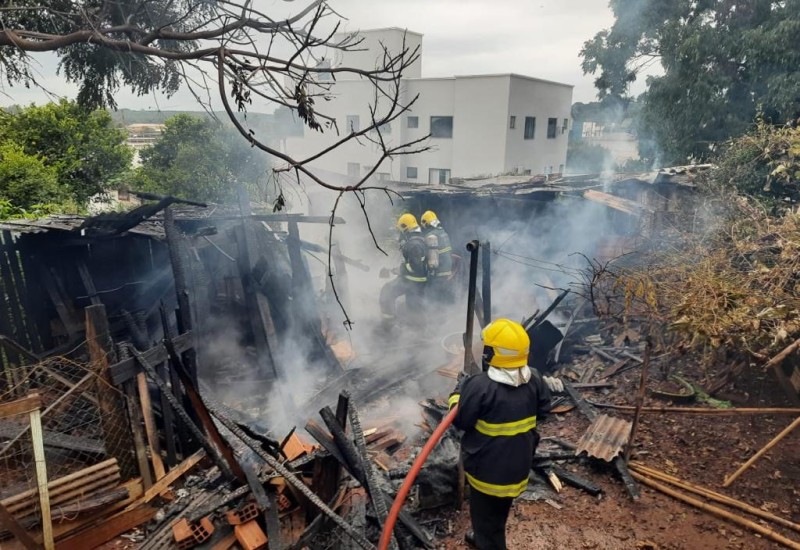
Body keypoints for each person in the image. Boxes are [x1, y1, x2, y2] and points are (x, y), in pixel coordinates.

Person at [449, 318, 552, 549]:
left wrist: (458, 392)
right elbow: (544, 411)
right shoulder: (534, 379)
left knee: (485, 517)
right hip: (517, 468)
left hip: (486, 472)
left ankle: (487, 541)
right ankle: (485, 535)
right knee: (498, 512)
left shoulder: (480, 386)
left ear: (490, 353)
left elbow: (461, 421)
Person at [378, 213, 428, 328]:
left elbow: (416, 267)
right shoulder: (419, 240)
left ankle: (388, 324)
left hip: (412, 281)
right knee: (414, 306)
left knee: (387, 292)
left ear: (406, 228)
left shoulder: (414, 244)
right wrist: (396, 269)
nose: (400, 234)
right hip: (415, 281)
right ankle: (418, 330)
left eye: (401, 230)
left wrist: (399, 270)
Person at [420, 210, 454, 305]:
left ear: (426, 224)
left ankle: (437, 314)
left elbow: (432, 261)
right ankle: (451, 310)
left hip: (438, 271)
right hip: (448, 269)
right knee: (445, 294)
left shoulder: (431, 236)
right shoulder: (444, 232)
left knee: (435, 296)